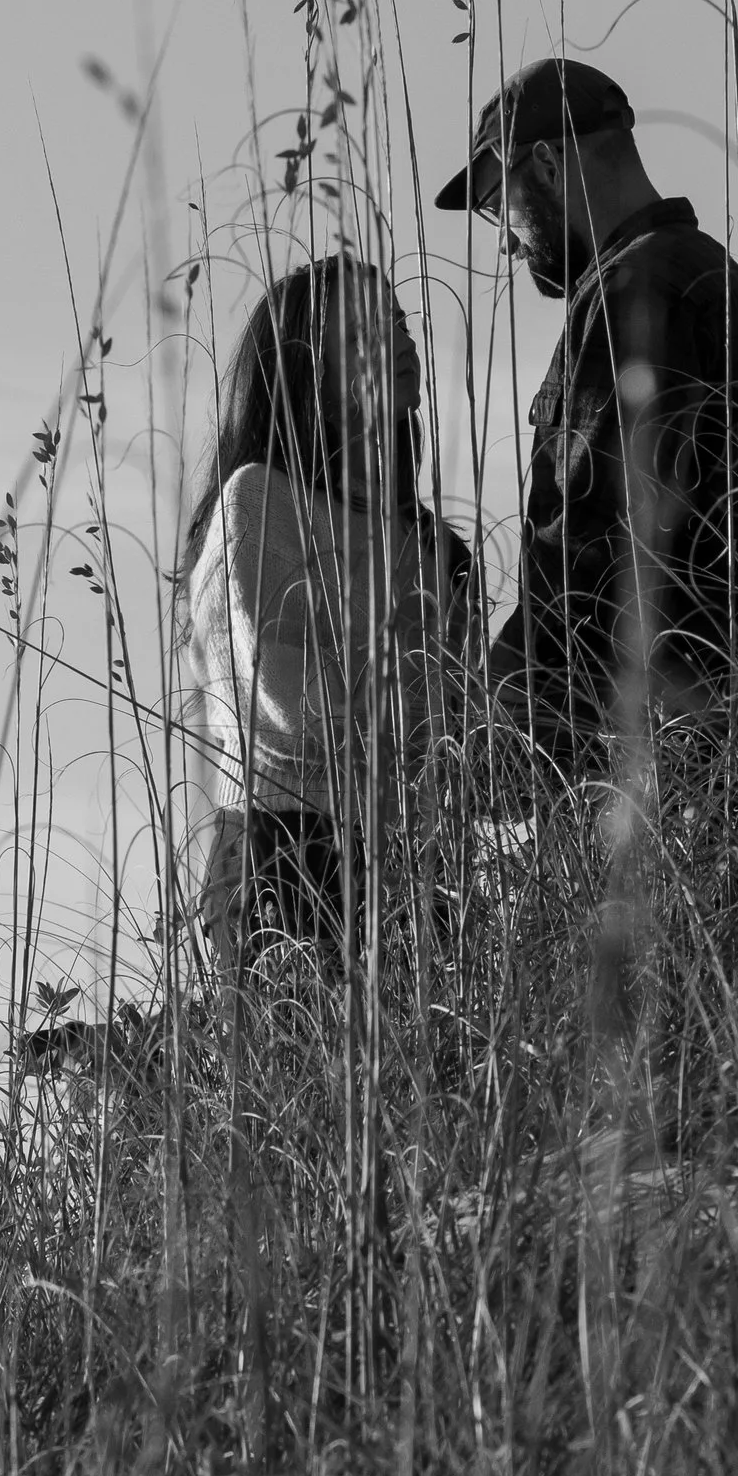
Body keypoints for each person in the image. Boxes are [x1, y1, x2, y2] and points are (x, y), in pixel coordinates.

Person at [435, 59, 738, 783]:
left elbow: (583, 556)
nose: (504, 241)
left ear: (546, 163)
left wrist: (489, 730)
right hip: (737, 756)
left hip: (642, 776)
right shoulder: (720, 282)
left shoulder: (624, 300)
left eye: (497, 202)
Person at [179, 253, 473, 957]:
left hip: (409, 859)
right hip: (283, 849)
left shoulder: (432, 543)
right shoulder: (259, 500)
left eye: (401, 323)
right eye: (368, 330)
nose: (401, 341)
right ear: (307, 368)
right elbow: (280, 695)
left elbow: (458, 724)